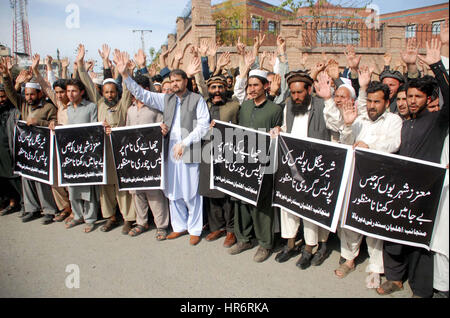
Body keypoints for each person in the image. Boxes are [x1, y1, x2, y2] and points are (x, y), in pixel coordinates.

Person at [377, 39, 449, 298]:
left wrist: (438, 66)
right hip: (398, 189)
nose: (413, 101)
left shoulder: (437, 121)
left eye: (419, 96)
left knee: (419, 243)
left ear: (428, 98)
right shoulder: (402, 122)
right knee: (393, 234)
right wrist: (409, 69)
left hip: (424, 192)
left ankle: (420, 289)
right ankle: (395, 278)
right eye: (409, 97)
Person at [118, 52, 210, 246]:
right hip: (169, 150)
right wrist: (125, 75)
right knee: (173, 190)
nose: (175, 83)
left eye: (178, 80)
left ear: (186, 81)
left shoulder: (196, 100)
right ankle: (179, 227)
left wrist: (184, 143)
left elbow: (203, 126)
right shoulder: (165, 99)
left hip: (189, 149)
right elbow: (142, 94)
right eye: (172, 80)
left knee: (191, 191)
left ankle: (194, 229)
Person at [328, 76, 403, 289]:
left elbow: (394, 143)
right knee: (349, 221)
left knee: (372, 225)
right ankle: (349, 259)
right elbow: (345, 143)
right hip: (354, 178)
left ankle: (375, 267)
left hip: (378, 182)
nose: (371, 106)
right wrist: (349, 125)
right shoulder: (358, 119)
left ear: (387, 103)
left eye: (377, 102)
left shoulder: (393, 121)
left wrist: (369, 146)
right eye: (369, 101)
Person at [272, 70, 333, 269]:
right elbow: (286, 127)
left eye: (300, 92)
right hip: (291, 166)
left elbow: (335, 129)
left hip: (314, 167)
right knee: (288, 206)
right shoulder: (289, 105)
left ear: (309, 90)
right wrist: (280, 130)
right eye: (293, 92)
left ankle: (309, 248)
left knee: (309, 209)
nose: (296, 97)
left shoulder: (322, 105)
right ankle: (290, 243)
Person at [76, 44, 136, 235]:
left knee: (122, 186)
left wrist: (125, 71)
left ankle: (128, 219)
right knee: (106, 186)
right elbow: (86, 82)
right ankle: (111, 216)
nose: (110, 94)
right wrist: (79, 64)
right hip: (103, 153)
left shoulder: (123, 103)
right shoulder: (99, 103)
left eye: (113, 91)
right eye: (107, 91)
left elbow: (128, 88)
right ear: (102, 93)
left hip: (120, 151)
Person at [229, 69, 282, 263]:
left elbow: (279, 137)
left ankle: (265, 244)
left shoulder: (275, 110)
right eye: (249, 85)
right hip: (243, 162)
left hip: (264, 164)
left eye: (255, 85)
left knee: (261, 205)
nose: (251, 89)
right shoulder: (244, 106)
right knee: (241, 201)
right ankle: (243, 239)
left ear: (265, 87)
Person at [0, 62, 58, 224]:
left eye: (32, 94)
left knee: (41, 182)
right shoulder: (23, 104)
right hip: (26, 150)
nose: (29, 97)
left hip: (42, 151)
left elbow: (55, 124)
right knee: (26, 179)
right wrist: (6, 76)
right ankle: (32, 209)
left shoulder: (48, 107)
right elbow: (11, 92)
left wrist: (39, 121)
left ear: (40, 94)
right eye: (26, 94)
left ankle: (48, 210)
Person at [124, 74, 170, 240]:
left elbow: (163, 128)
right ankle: (141, 222)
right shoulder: (130, 110)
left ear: (146, 90)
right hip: (134, 157)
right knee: (137, 191)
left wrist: (163, 130)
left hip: (151, 156)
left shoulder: (155, 109)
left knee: (154, 191)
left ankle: (161, 225)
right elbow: (126, 132)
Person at [31, 54, 73, 223]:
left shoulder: (76, 105)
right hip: (57, 147)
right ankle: (65, 207)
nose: (60, 95)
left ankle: (75, 209)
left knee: (71, 181)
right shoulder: (58, 105)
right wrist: (38, 69)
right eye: (57, 93)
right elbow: (46, 86)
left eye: (63, 92)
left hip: (73, 148)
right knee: (56, 179)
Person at [199, 75, 240, 248]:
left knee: (227, 194)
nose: (217, 91)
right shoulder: (204, 105)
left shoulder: (234, 105)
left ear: (225, 89)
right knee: (211, 191)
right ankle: (217, 227)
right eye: (213, 87)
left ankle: (231, 230)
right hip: (207, 152)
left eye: (220, 87)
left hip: (228, 154)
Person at [62, 79, 100, 233]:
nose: (70, 94)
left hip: (87, 153)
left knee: (88, 188)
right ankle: (77, 216)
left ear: (82, 92)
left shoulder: (91, 107)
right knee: (73, 186)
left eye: (74, 91)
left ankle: (90, 219)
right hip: (71, 154)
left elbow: (93, 129)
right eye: (68, 91)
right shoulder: (68, 109)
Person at [0, 82, 22, 216]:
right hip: (1, 149)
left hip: (11, 147)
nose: (1, 100)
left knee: (13, 177)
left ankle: (18, 202)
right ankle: (8, 201)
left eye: (3, 97)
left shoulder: (13, 109)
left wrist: (17, 84)